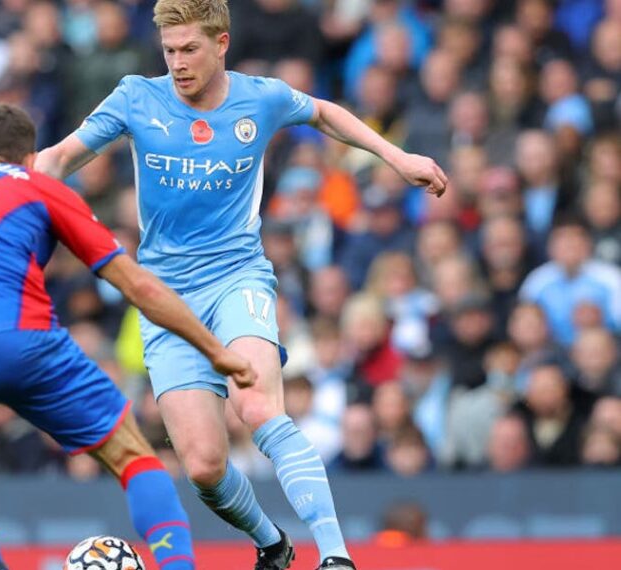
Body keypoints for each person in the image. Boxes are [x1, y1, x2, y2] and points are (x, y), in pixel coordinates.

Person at [34, 1, 448, 569]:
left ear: (221, 43)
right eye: (170, 50)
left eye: (190, 50)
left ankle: (336, 556)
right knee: (204, 464)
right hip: (164, 298)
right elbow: (57, 159)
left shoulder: (263, 97)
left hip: (237, 275)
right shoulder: (136, 97)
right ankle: (272, 544)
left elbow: (324, 113)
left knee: (258, 407)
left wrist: (396, 156)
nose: (178, 63)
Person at [0, 104, 259, 570]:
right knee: (133, 457)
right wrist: (214, 350)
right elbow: (137, 285)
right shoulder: (37, 186)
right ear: (28, 160)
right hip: (23, 344)